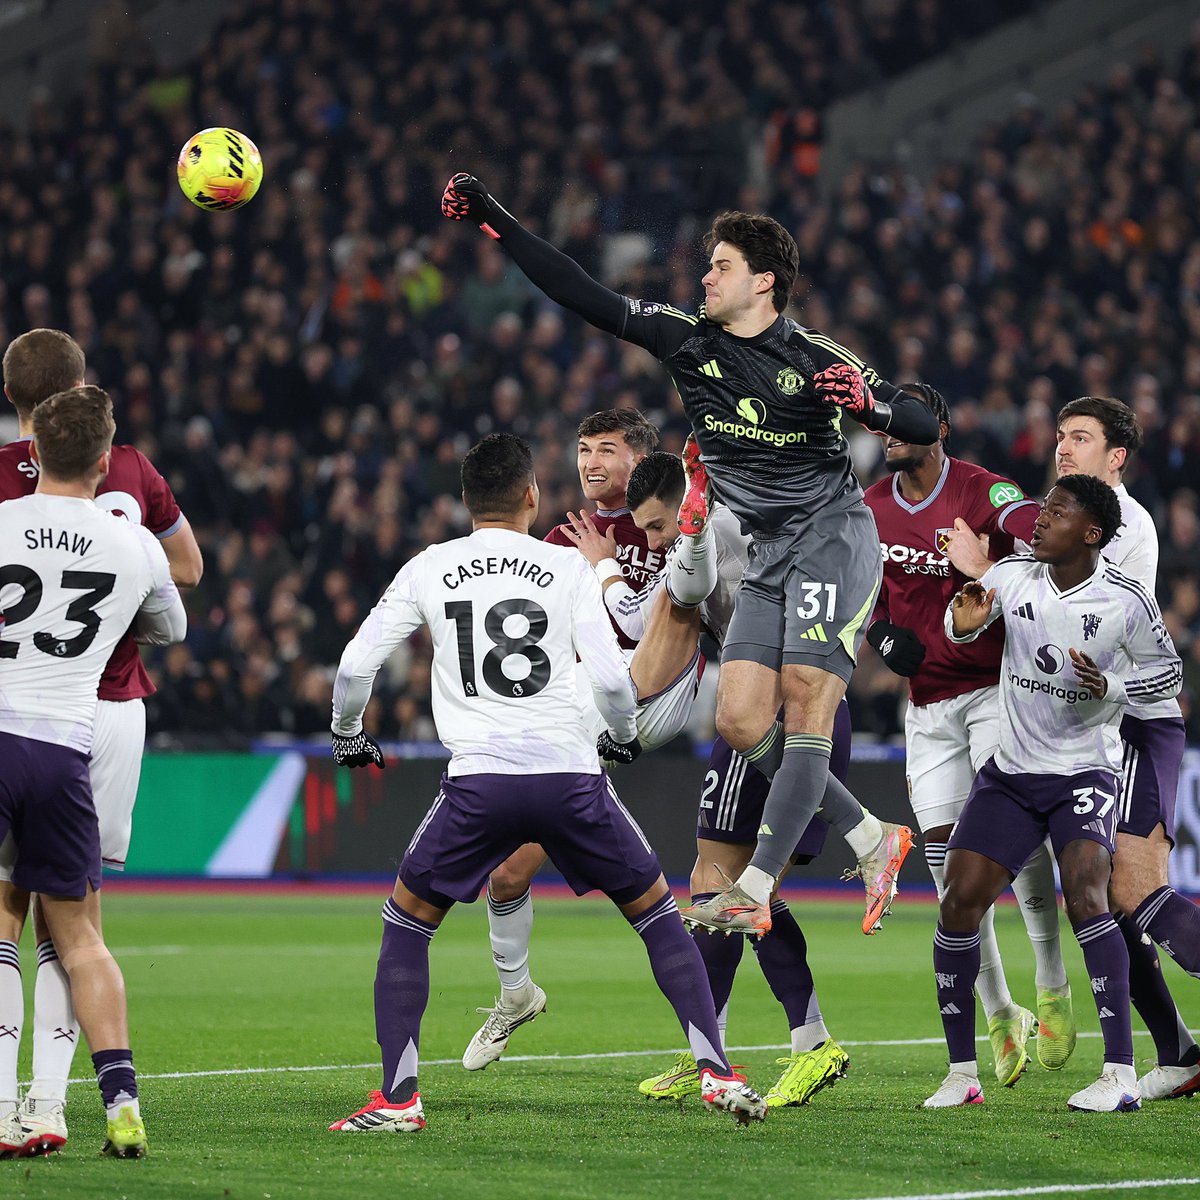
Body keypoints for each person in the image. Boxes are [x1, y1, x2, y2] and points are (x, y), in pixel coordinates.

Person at [442, 175, 937, 936]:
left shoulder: (814, 357)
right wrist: (494, 218)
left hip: (832, 542)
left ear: (763, 282)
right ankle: (873, 837)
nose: (705, 277)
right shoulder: (687, 341)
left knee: (805, 698)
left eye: (721, 266)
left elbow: (919, 421)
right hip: (769, 553)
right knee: (739, 720)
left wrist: (870, 405)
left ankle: (757, 887)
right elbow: (581, 292)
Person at [327, 433, 766, 1133]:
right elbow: (611, 680)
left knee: (407, 924)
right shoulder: (565, 567)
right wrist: (619, 734)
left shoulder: (431, 565)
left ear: (466, 500)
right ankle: (716, 1069)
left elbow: (355, 666)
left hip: (479, 783)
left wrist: (348, 731)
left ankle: (400, 1099)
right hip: (569, 776)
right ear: (531, 496)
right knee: (657, 916)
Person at [946, 395, 1200, 1101]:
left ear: (1116, 457)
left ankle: (1156, 1056)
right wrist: (985, 581)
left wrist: (990, 569)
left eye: (1080, 437)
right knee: (1105, 903)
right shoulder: (1053, 517)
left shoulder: (1129, 529)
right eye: (1060, 435)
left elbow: (1111, 634)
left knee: (1128, 891)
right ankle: (1178, 1052)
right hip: (1087, 717)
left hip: (1133, 720)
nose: (1063, 446)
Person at [0, 329, 202, 1157]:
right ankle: (79, 1103)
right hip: (85, 728)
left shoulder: (3, 509)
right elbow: (176, 611)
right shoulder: (134, 522)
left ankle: (4, 1104)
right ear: (102, 455)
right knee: (77, 927)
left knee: (4, 916)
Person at [862, 383, 1074, 1086]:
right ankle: (1001, 1011)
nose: (890, 431)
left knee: (1015, 835)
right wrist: (881, 636)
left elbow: (1031, 523)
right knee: (945, 865)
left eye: (904, 420)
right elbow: (862, 590)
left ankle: (1051, 978)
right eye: (884, 422)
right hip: (927, 708)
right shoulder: (873, 506)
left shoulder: (981, 489)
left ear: (941, 427)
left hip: (993, 691)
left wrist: (1005, 549)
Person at [462, 408, 662, 1072]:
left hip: (664, 693)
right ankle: (514, 994)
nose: (590, 462)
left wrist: (607, 569)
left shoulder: (670, 523)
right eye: (583, 449)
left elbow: (652, 623)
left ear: (639, 460)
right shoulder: (557, 541)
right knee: (507, 873)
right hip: (582, 715)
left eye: (606, 449)